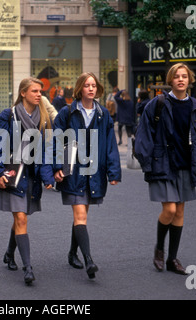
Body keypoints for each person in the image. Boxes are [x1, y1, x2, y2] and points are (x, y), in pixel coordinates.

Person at [134, 63, 196, 275]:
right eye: (177, 76)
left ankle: (172, 259)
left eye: (184, 76)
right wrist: (147, 161)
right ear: (171, 80)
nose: (181, 79)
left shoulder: (195, 106)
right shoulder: (158, 103)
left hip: (186, 165)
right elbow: (143, 132)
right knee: (169, 209)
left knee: (179, 211)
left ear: (189, 80)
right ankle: (159, 248)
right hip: (163, 164)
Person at [53, 72, 121, 279]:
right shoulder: (67, 112)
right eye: (87, 85)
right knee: (80, 216)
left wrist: (113, 171)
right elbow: (56, 139)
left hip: (94, 172)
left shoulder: (103, 114)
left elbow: (110, 144)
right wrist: (57, 167)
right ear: (79, 89)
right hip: (73, 171)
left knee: (81, 217)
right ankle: (89, 260)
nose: (91, 88)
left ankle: (73, 253)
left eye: (94, 85)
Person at [0, 77, 54, 285]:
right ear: (23, 93)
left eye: (40, 91)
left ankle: (9, 253)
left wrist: (47, 176)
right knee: (21, 219)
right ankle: (28, 268)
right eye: (34, 91)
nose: (38, 94)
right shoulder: (7, 116)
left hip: (31, 177)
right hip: (13, 175)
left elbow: (46, 151)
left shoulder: (43, 118)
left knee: (21, 218)